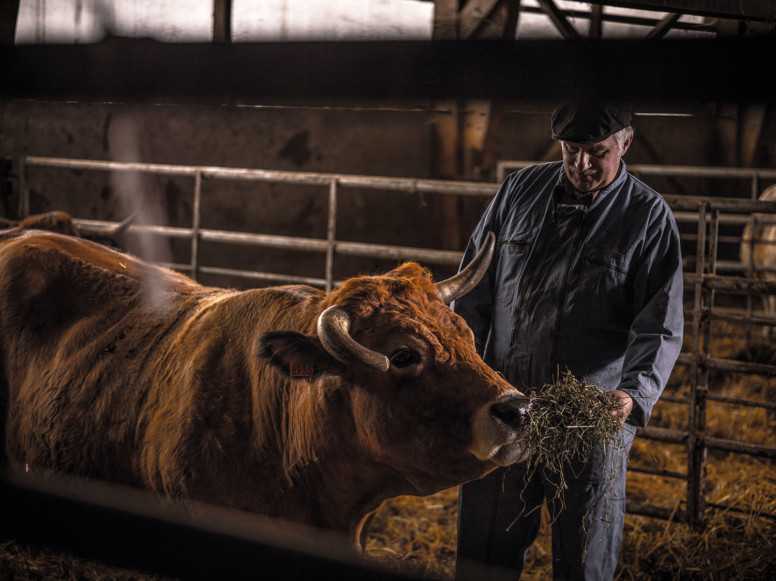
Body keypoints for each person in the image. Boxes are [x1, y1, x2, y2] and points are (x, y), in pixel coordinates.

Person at [453, 100, 684, 581]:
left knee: (584, 556)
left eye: (597, 151)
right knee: (485, 546)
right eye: (571, 149)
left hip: (591, 416)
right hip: (506, 403)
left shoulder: (648, 217)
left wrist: (633, 393)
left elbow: (659, 323)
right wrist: (464, 369)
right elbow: (474, 286)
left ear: (625, 143)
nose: (582, 164)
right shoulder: (519, 190)